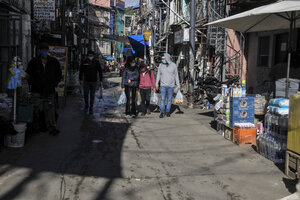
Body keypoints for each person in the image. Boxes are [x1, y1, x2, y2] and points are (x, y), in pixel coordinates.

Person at [26, 42, 62, 135]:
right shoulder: (34, 62)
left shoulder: (53, 61)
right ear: (39, 51)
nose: (44, 52)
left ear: (48, 51)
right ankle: (37, 127)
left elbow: (59, 74)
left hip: (49, 90)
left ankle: (52, 127)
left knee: (50, 109)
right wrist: (34, 84)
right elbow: (28, 75)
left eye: (46, 50)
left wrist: (54, 84)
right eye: (42, 50)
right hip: (37, 91)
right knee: (37, 109)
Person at [156, 53, 180, 118]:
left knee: (169, 99)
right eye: (162, 59)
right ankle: (162, 112)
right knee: (162, 99)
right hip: (163, 85)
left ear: (167, 58)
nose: (162, 60)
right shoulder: (160, 65)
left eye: (164, 59)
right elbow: (158, 75)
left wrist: (178, 85)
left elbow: (176, 75)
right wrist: (156, 84)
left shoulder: (173, 65)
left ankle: (167, 111)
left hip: (171, 86)